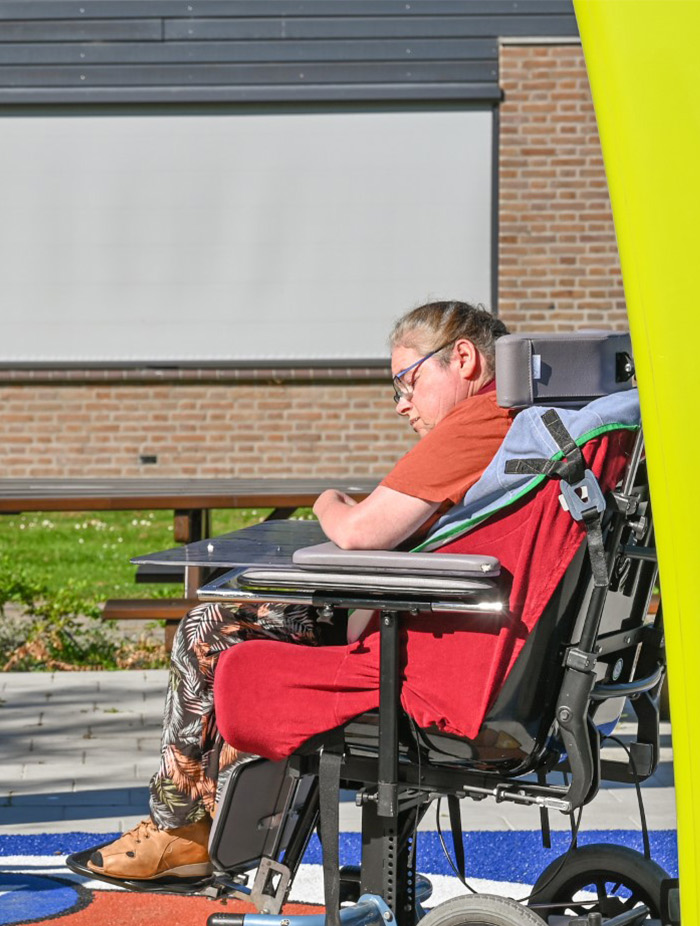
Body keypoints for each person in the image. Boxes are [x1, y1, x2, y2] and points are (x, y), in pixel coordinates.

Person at [69, 300, 516, 885]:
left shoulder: (475, 423)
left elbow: (358, 531)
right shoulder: (517, 420)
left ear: (462, 359)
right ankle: (196, 827)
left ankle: (179, 829)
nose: (402, 403)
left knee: (211, 627)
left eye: (407, 381)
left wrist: (326, 499)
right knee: (227, 626)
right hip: (433, 620)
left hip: (405, 632)